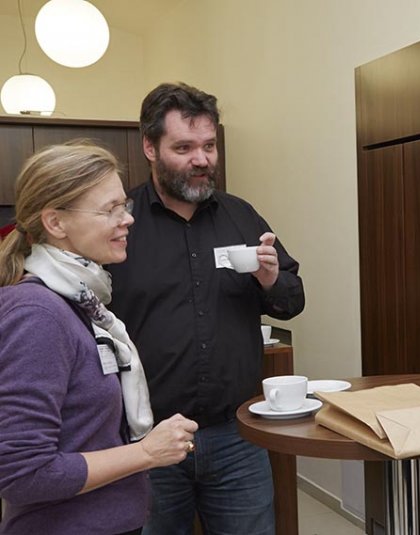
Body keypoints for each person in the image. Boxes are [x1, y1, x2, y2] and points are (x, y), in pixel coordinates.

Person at [106, 83, 305, 535]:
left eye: (209, 146)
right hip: (146, 440)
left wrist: (270, 279)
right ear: (150, 147)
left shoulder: (241, 216)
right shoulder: (121, 224)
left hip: (238, 436)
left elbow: (293, 300)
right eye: (184, 148)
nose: (202, 159)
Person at [0, 143, 198, 535]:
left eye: (124, 205)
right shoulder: (38, 313)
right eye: (110, 210)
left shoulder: (80, 300)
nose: (128, 219)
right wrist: (146, 453)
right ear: (56, 223)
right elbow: (23, 474)